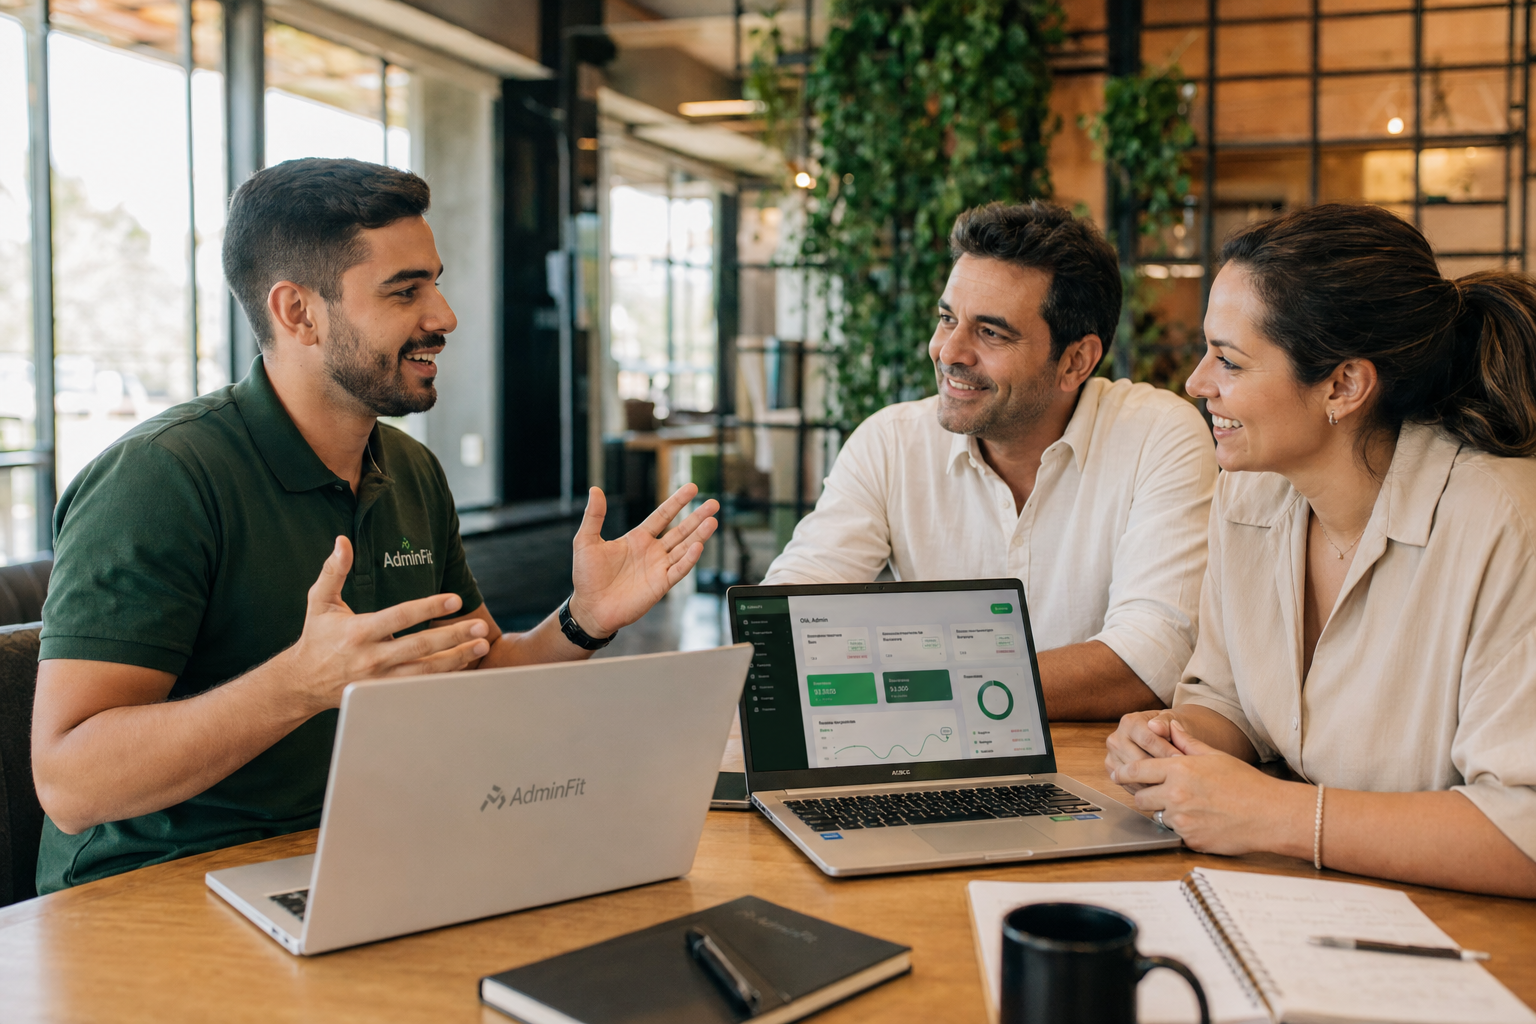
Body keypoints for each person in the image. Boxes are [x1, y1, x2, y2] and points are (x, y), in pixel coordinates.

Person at [30, 158, 717, 893]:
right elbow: (71, 784)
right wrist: (299, 685)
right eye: (405, 291)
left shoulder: (408, 470)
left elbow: (474, 677)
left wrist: (582, 621)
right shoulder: (158, 479)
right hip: (149, 894)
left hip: (347, 858)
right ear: (299, 312)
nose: (445, 316)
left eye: (436, 281)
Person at [1105, 203, 1536, 898]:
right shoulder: (1251, 495)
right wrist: (1175, 739)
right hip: (1293, 903)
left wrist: (1271, 815)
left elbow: (1526, 832)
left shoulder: (1507, 527)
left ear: (1343, 385)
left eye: (1230, 361)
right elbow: (1229, 695)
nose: (1196, 383)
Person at [764, 202, 1217, 719]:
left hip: (1103, 777)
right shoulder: (890, 443)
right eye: (947, 319)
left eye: (991, 333)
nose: (948, 351)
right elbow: (789, 620)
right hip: (931, 765)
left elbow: (1148, 660)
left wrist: (924, 684)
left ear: (1076, 361)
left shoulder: (1157, 435)